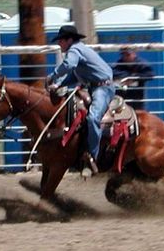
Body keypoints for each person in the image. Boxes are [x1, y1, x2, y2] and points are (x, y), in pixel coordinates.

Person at [45, 25, 115, 175]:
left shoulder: (75, 50)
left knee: (92, 118)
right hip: (95, 88)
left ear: (69, 40)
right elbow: (74, 76)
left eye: (61, 40)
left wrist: (53, 76)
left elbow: (69, 65)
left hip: (102, 89)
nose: (59, 44)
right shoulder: (79, 50)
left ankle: (93, 157)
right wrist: (58, 84)